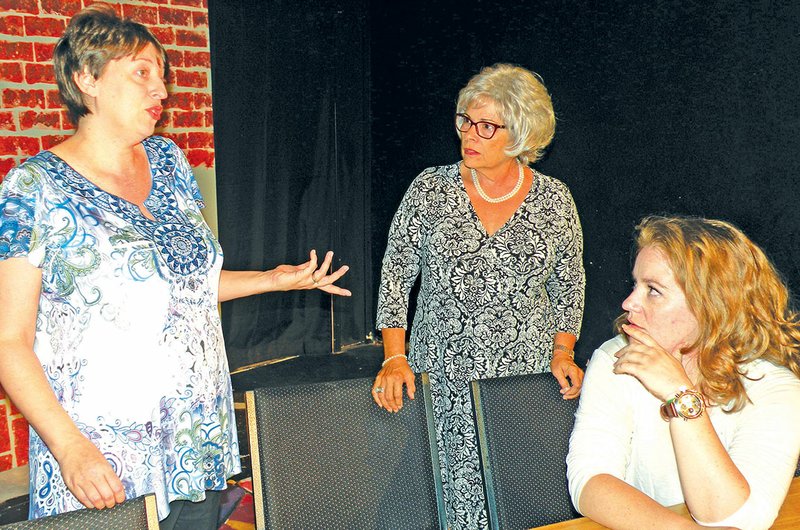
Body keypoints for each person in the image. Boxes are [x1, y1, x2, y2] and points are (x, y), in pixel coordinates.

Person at [0, 5, 350, 528]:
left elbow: (183, 290)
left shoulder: (168, 163)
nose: (160, 90)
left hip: (195, 437)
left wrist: (273, 280)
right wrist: (69, 447)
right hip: (105, 453)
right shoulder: (34, 189)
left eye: (162, 75)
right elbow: (8, 340)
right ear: (86, 79)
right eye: (142, 72)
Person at [373, 63, 585, 529]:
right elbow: (396, 278)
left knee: (520, 498)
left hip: (522, 379)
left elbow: (569, 285)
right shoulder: (430, 189)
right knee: (447, 499)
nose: (470, 134)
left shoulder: (554, 201)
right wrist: (393, 357)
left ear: (522, 132)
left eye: (486, 126)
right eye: (465, 121)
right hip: (443, 373)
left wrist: (564, 352)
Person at [567, 215, 800, 530]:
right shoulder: (617, 358)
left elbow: (742, 519)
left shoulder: (775, 387)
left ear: (711, 305)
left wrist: (681, 395)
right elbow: (589, 481)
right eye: (635, 284)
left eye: (653, 290)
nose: (628, 302)